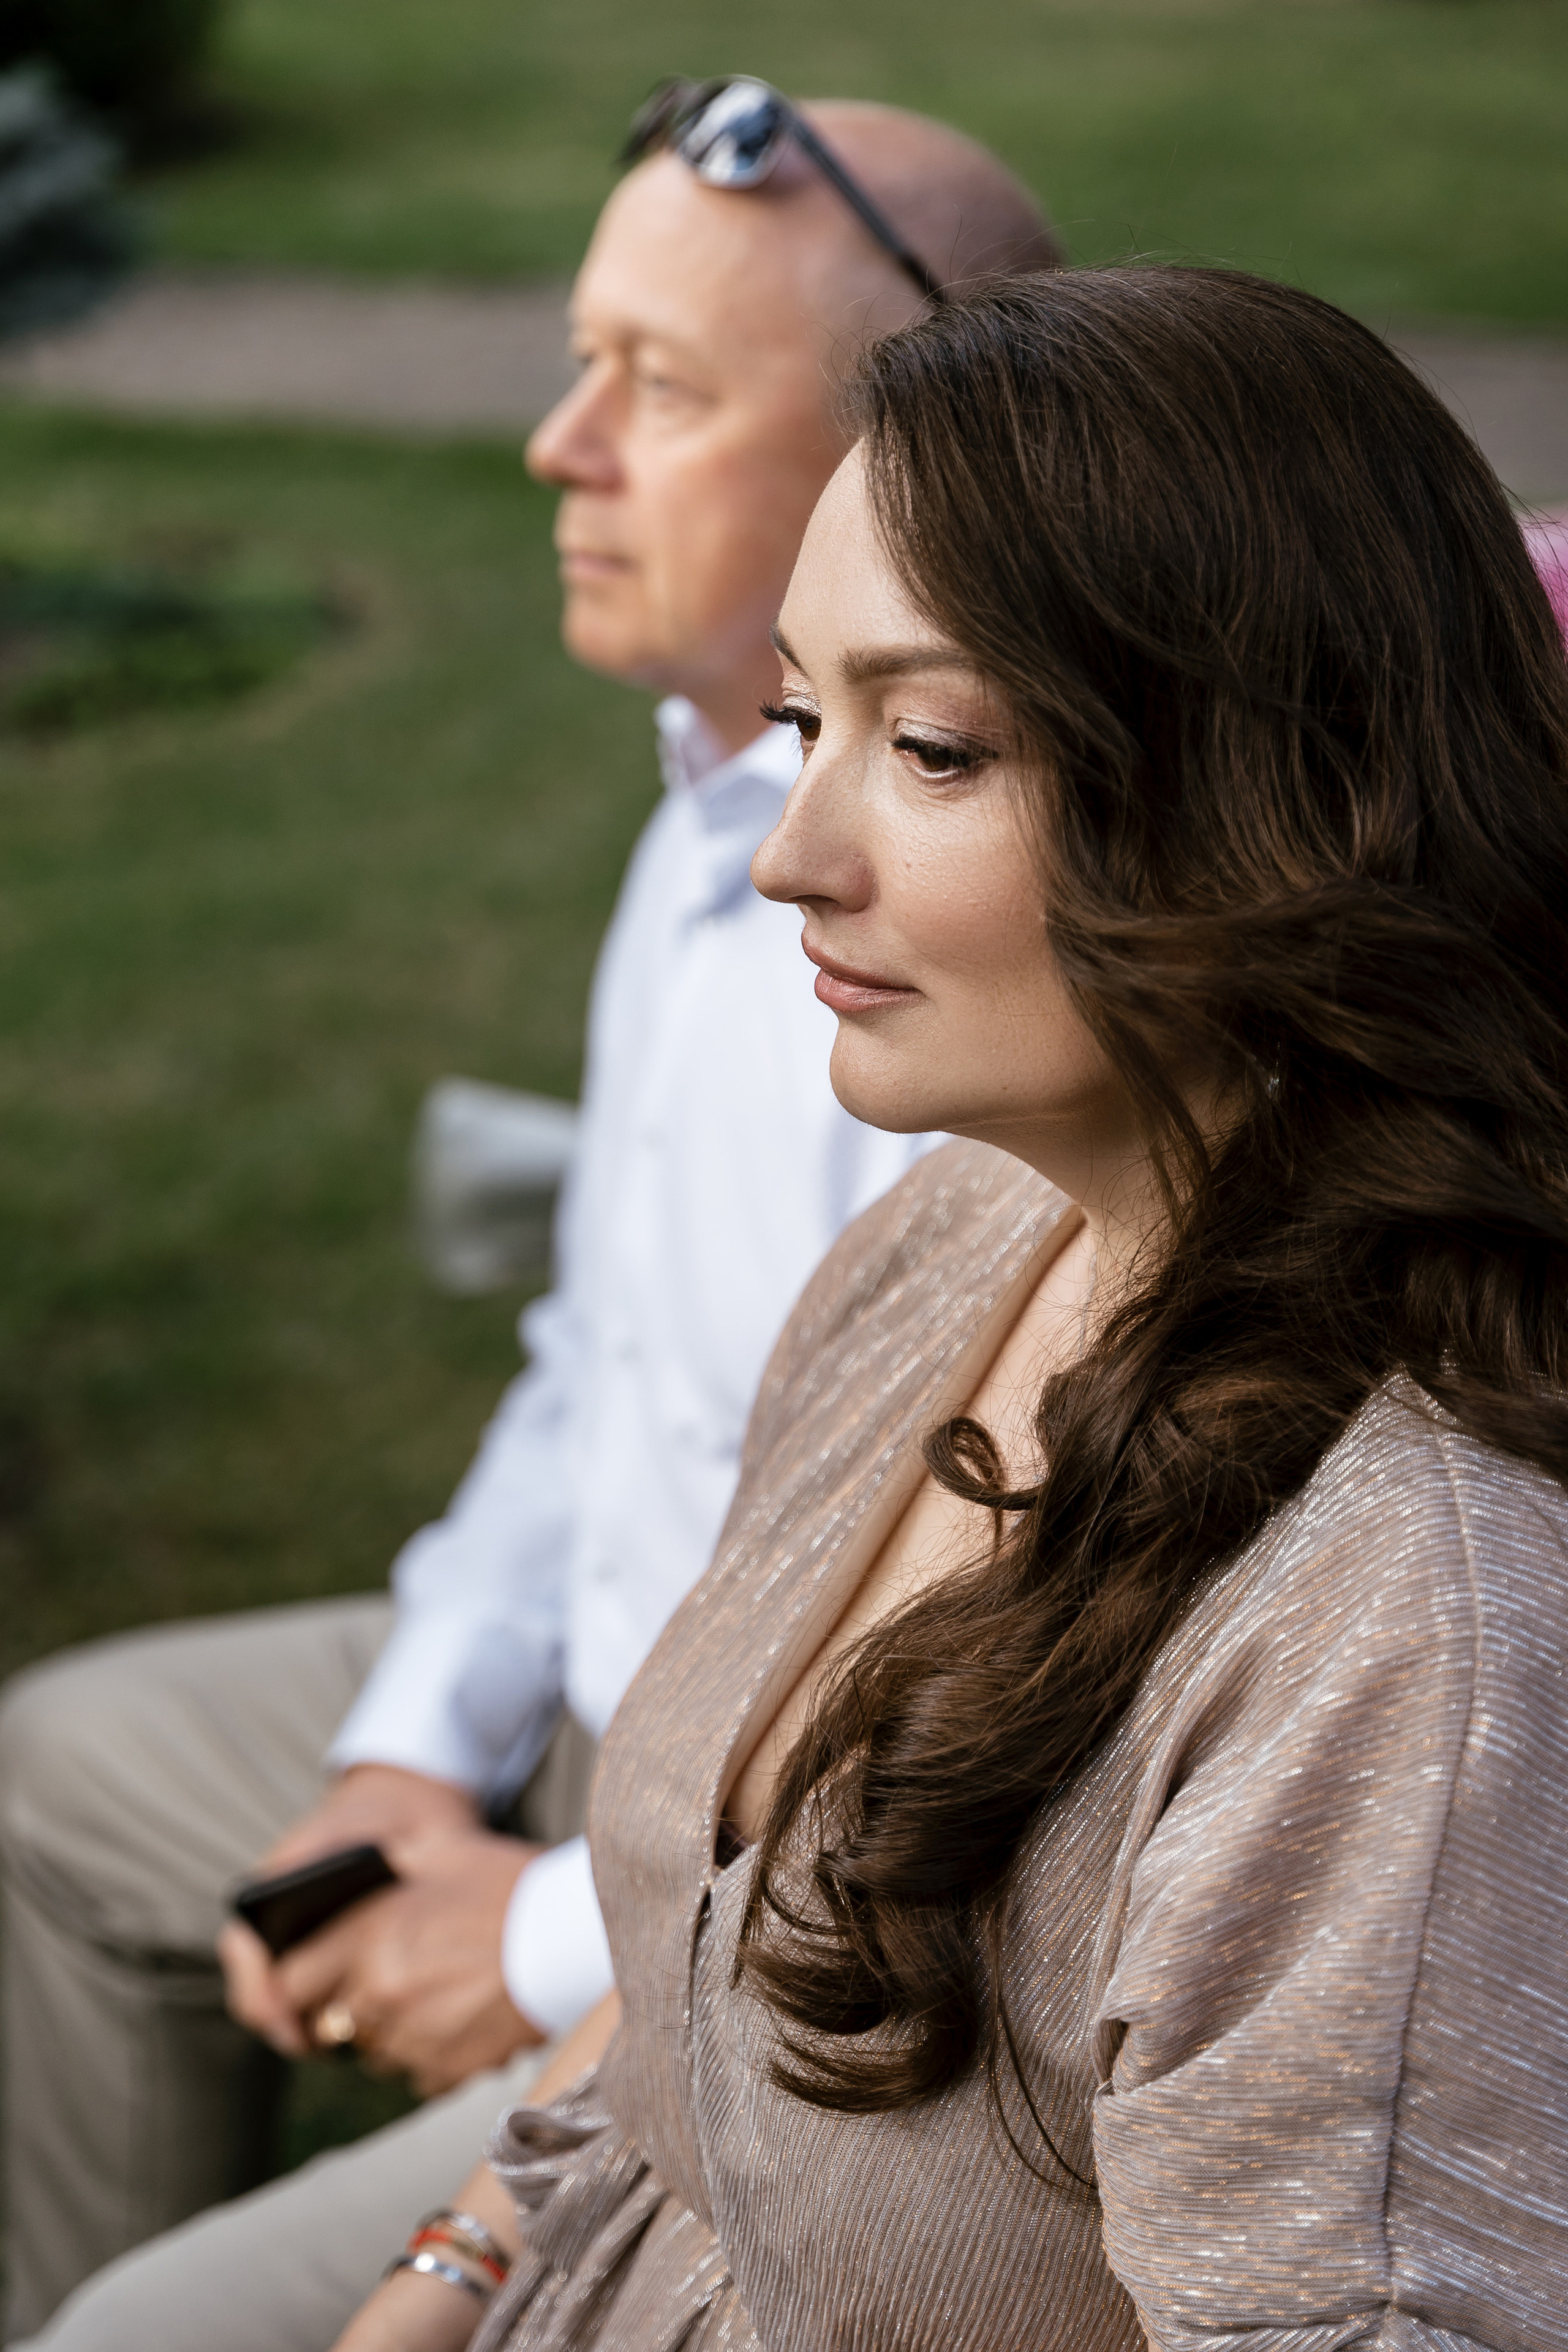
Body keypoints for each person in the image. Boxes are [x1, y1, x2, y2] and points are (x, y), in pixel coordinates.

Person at [337, 263, 1568, 2351]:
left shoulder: (1406, 1628)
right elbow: (695, 1992)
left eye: (928, 747)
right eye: (803, 721)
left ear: (1278, 791)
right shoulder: (953, 1249)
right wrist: (441, 2282)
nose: (788, 856)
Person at [0, 92, 1061, 2352]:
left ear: (927, 450)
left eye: (661, 389)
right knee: (72, 1769)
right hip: (590, 1707)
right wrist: (406, 1740)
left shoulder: (946, 967)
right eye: (581, 360)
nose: (555, 447)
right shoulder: (702, 802)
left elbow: (959, 1697)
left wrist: (530, 1944)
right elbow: (590, 1368)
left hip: (772, 1891)